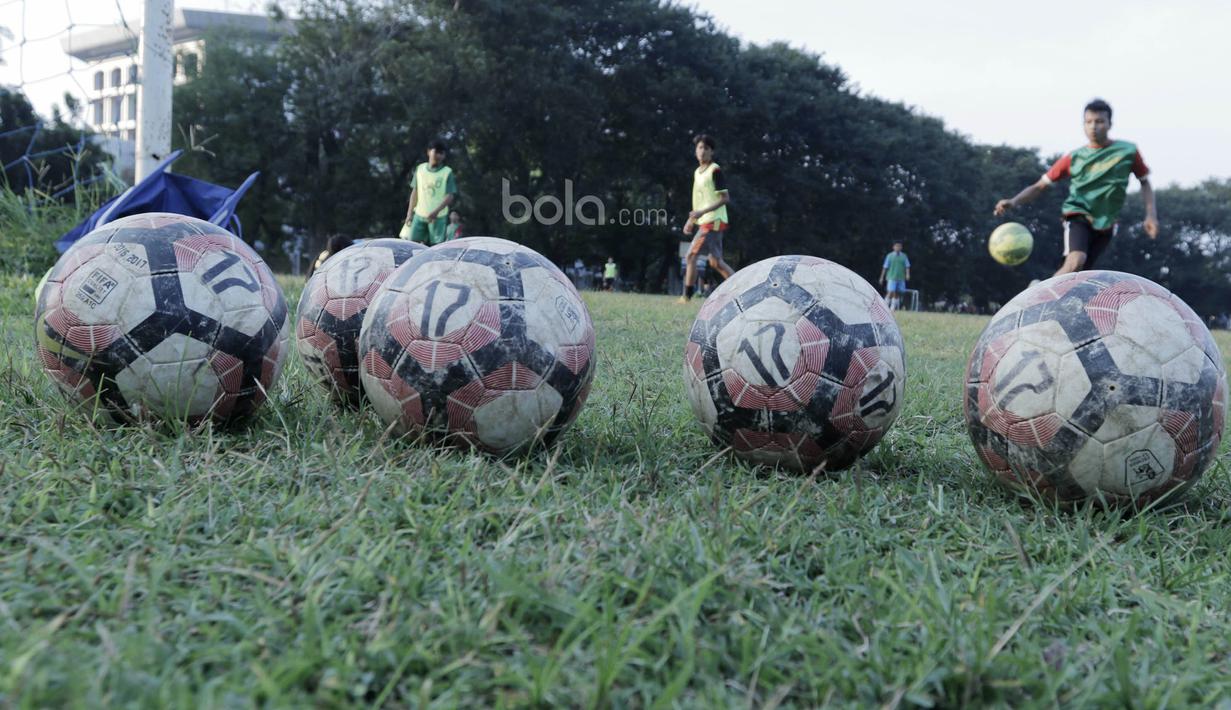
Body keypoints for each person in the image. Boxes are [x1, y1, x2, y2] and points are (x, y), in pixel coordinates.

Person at [994, 99, 1158, 276]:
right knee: (1076, 260)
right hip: (1078, 214)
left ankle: (1042, 287)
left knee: (1079, 274)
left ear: (1110, 124)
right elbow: (1039, 186)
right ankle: (1040, 294)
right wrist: (1014, 201)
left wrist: (1151, 215)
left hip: (1107, 222)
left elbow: (1145, 182)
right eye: (1088, 122)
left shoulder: (1128, 151)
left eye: (1099, 121)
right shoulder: (1074, 158)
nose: (1093, 127)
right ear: (1083, 125)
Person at [678, 134, 735, 303]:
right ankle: (741, 287)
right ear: (696, 151)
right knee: (715, 262)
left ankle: (686, 296)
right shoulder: (697, 172)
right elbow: (699, 202)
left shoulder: (715, 170)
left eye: (706, 148)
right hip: (706, 220)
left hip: (714, 221)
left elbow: (725, 198)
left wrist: (702, 213)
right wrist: (691, 220)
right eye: (700, 147)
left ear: (712, 152)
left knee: (690, 256)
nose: (702, 151)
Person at [401, 140, 457, 246]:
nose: (438, 155)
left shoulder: (447, 172)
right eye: (436, 152)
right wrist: (409, 214)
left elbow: (450, 196)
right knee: (411, 244)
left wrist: (435, 212)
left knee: (436, 247)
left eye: (441, 153)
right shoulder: (420, 169)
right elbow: (415, 192)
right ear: (429, 152)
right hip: (419, 214)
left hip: (438, 217)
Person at [878, 241, 911, 311]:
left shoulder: (904, 256)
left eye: (899, 246)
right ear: (893, 247)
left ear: (901, 247)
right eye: (896, 246)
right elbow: (885, 267)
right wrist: (881, 277)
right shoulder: (889, 256)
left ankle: (892, 308)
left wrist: (907, 274)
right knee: (890, 291)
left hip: (901, 277)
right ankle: (884, 306)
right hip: (891, 277)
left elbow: (907, 266)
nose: (898, 247)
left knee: (897, 292)